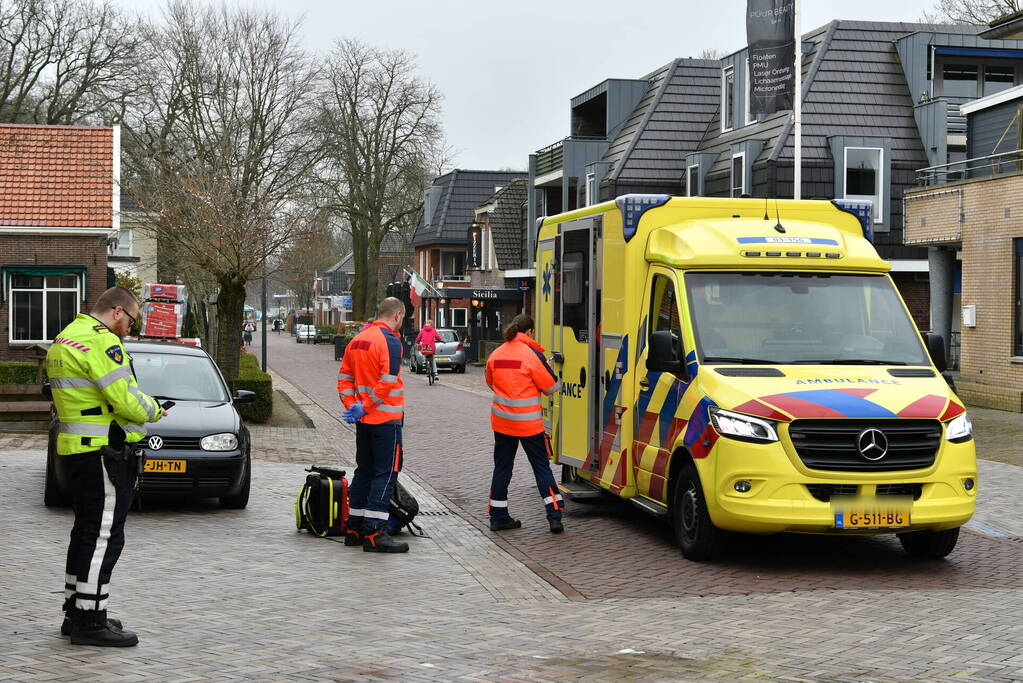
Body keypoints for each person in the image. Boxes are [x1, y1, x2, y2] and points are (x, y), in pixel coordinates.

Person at [46, 286, 167, 646]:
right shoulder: (102, 343)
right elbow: (125, 399)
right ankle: (91, 621)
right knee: (103, 537)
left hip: (74, 449)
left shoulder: (68, 336)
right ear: (117, 312)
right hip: (104, 454)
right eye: (131, 320)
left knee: (84, 531)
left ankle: (77, 609)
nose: (130, 328)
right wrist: (156, 409)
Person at [337, 297, 408, 553]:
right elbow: (387, 382)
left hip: (363, 422)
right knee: (386, 473)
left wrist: (352, 406)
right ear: (397, 315)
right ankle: (375, 533)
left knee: (364, 471)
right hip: (385, 421)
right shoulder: (390, 341)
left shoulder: (357, 340)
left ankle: (354, 528)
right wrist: (365, 406)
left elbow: (344, 376)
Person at [485, 314, 566, 534]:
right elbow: (551, 387)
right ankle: (554, 516)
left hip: (502, 423)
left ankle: (498, 517)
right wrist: (547, 367)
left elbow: (490, 382)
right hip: (529, 425)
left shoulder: (496, 354)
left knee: (502, 468)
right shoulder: (532, 356)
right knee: (541, 467)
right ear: (529, 332)